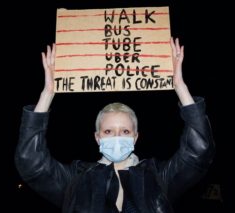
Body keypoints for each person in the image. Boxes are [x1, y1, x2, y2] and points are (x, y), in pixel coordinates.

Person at [15, 37, 215, 213]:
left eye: (125, 131)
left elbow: (199, 151)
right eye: (109, 131)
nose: (117, 137)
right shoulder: (75, 180)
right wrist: (47, 94)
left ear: (136, 137)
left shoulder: (157, 177)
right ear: (97, 137)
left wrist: (180, 87)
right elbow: (31, 161)